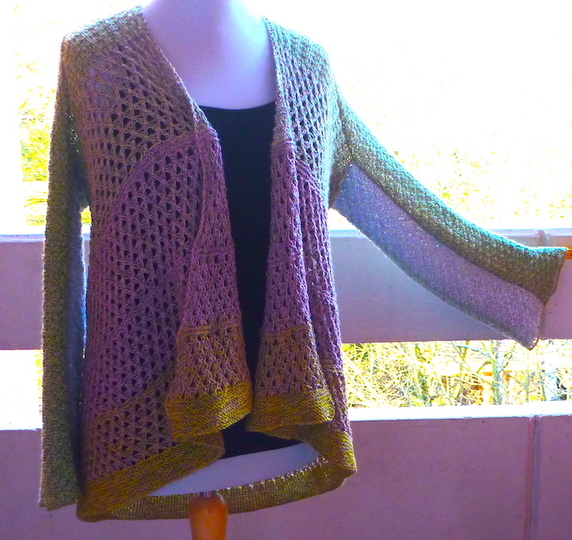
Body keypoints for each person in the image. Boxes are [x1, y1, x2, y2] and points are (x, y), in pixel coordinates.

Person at [40, 0, 567, 522]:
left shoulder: (307, 65)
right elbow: (61, 243)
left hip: (285, 398)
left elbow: (393, 201)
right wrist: (64, 442)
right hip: (152, 400)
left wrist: (520, 276)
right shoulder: (97, 59)